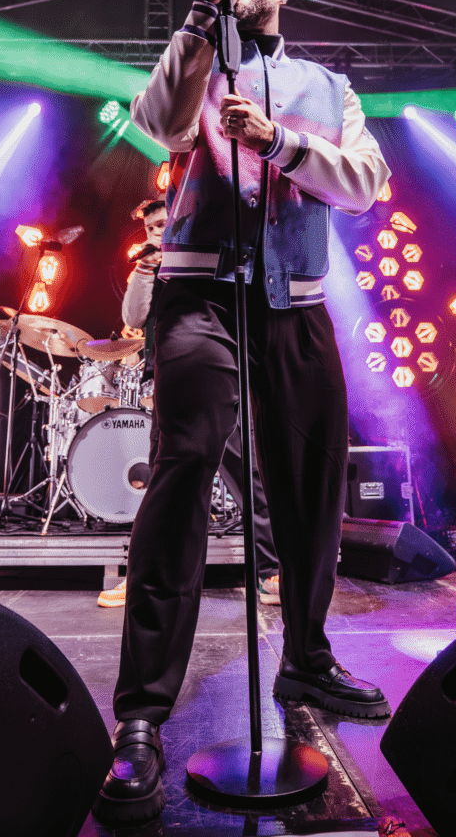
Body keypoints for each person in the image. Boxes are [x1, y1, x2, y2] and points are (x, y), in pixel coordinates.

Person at [95, 0, 392, 823]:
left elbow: (365, 183)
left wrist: (280, 143)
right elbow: (157, 124)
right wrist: (198, 20)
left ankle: (306, 658)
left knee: (311, 482)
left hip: (295, 300)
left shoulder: (328, 88)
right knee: (184, 467)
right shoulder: (197, 59)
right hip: (197, 294)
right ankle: (141, 715)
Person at [97, 197, 281, 608]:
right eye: (150, 228)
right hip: (170, 381)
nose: (156, 232)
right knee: (163, 481)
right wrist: (144, 269)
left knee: (246, 475)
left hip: (220, 380)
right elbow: (133, 317)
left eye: (163, 223)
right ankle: (147, 576)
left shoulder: (209, 254)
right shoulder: (151, 268)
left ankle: (270, 572)